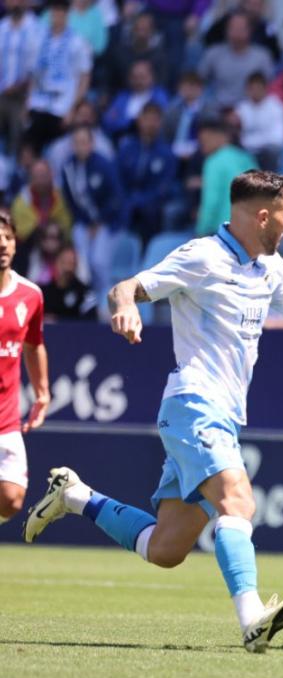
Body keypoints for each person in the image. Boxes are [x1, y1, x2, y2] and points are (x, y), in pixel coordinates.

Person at [23, 171, 283, 653]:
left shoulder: (271, 267)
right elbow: (125, 287)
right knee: (238, 502)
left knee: (166, 549)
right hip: (193, 405)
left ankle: (75, 496)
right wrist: (126, 309)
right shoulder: (202, 256)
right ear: (262, 215)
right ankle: (252, 619)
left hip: (219, 415)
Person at [0, 208, 49, 524]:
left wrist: (42, 392)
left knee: (12, 499)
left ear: (16, 244)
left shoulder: (30, 295)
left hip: (6, 419)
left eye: (7, 238)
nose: (2, 244)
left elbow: (34, 344)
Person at [61, 126, 121, 306]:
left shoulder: (104, 165)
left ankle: (107, 301)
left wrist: (99, 222)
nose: (81, 147)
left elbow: (116, 198)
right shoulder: (69, 167)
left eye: (84, 143)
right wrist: (86, 223)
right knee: (82, 263)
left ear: (91, 144)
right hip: (83, 222)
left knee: (98, 261)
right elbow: (69, 200)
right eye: (77, 143)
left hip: (108, 222)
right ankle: (87, 300)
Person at [25, 0, 91, 155]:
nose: (58, 15)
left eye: (62, 11)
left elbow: (84, 78)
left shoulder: (77, 42)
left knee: (57, 151)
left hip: (62, 105)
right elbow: (33, 73)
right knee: (32, 149)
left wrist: (73, 108)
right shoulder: (38, 39)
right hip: (38, 102)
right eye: (54, 10)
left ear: (68, 14)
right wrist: (27, 102)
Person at [116, 102, 180, 244]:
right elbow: (118, 179)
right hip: (127, 202)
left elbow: (164, 186)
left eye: (155, 120)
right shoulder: (127, 148)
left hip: (152, 207)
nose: (150, 124)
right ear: (140, 120)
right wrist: (128, 200)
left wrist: (140, 200)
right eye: (147, 119)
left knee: (150, 211)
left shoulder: (166, 153)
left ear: (160, 123)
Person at [197, 11, 274, 110]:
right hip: (219, 109)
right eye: (233, 28)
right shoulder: (213, 54)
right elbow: (198, 81)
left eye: (241, 28)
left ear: (250, 31)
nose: (237, 32)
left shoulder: (262, 56)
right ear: (226, 30)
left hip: (252, 110)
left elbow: (270, 87)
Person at [195, 119, 257, 236]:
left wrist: (200, 232)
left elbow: (211, 201)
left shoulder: (213, 161)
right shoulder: (246, 157)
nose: (201, 148)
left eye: (203, 142)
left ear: (219, 136)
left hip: (224, 231)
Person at [0, 0, 43, 158]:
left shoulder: (37, 29)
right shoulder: (2, 28)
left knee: (18, 137)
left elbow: (39, 69)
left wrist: (24, 91)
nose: (15, 3)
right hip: (2, 92)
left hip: (25, 95)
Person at [235, 72, 283, 173]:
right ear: (247, 90)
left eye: (258, 88)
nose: (255, 92)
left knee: (272, 151)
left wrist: (253, 142)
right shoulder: (241, 108)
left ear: (265, 88)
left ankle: (269, 185)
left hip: (266, 151)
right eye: (251, 89)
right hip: (247, 150)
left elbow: (278, 138)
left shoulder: (277, 107)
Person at [41, 244, 94, 320]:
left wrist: (58, 320)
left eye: (71, 263)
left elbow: (91, 324)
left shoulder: (86, 293)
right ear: (56, 263)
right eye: (64, 263)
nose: (68, 268)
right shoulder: (44, 293)